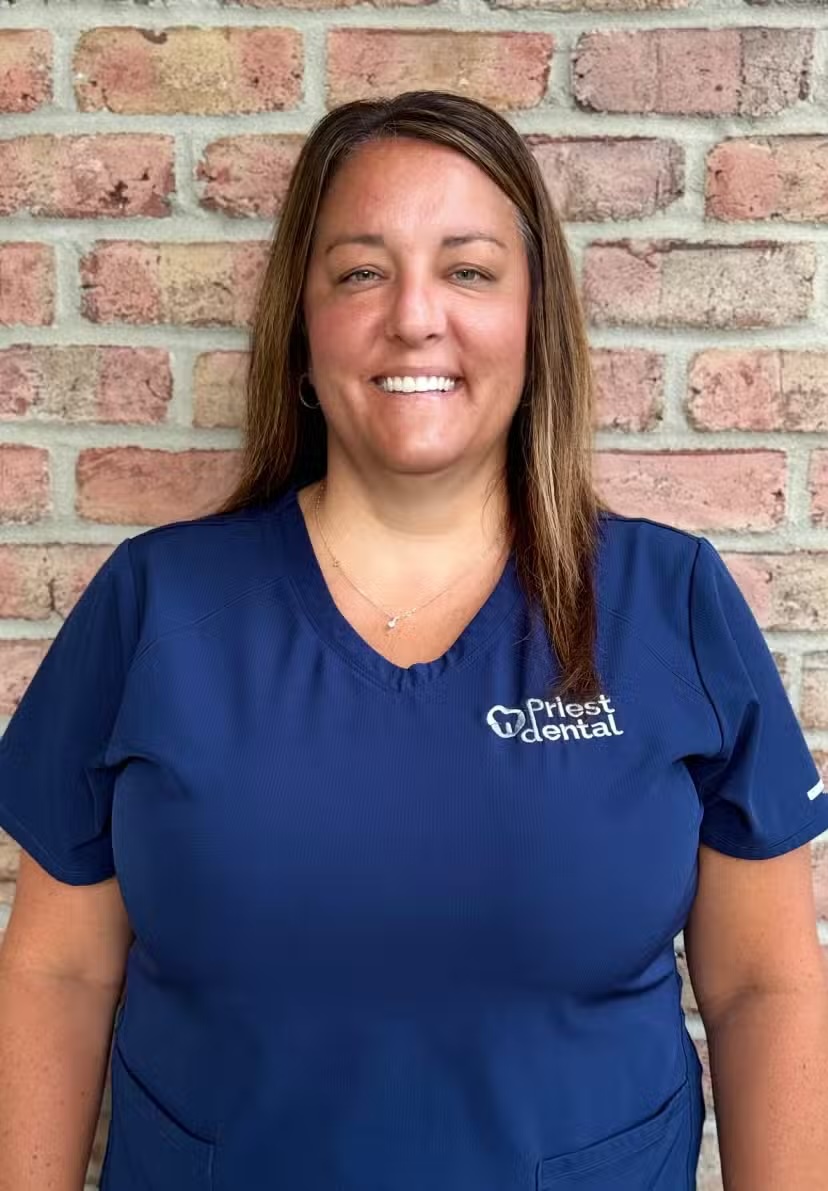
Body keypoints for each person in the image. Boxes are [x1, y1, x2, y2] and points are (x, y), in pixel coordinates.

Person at [0, 89, 826, 1191]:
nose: (415, 316)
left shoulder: (668, 600)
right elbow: (56, 972)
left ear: (537, 321)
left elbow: (763, 982)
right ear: (303, 326)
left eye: (470, 270)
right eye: (361, 271)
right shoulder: (159, 605)